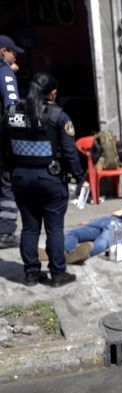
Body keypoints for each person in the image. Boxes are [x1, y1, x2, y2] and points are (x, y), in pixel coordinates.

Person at [4, 72, 84, 287]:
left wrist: (8, 170)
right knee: (54, 229)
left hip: (21, 178)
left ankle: (31, 274)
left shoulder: (11, 112)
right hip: (50, 179)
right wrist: (79, 176)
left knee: (29, 228)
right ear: (53, 93)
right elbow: (69, 153)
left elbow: (4, 148)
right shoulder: (58, 116)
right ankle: (57, 274)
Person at [39, 206, 122, 264]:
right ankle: (67, 254)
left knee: (80, 234)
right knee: (97, 239)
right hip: (111, 221)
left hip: (113, 221)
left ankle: (60, 252)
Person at [0, 35, 23, 249]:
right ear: (2, 51)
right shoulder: (4, 72)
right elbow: (12, 108)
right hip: (2, 140)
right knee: (7, 183)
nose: (14, 56)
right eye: (12, 52)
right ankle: (5, 232)